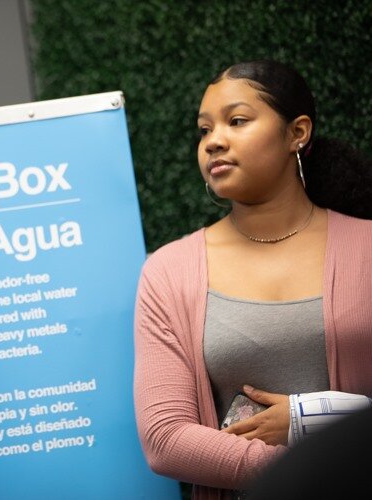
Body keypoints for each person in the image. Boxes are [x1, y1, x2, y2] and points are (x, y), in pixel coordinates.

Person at [133, 60, 372, 499]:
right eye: (204, 130)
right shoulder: (169, 272)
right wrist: (308, 469)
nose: (213, 142)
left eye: (236, 121)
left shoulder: (367, 248)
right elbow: (165, 438)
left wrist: (309, 422)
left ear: (297, 132)